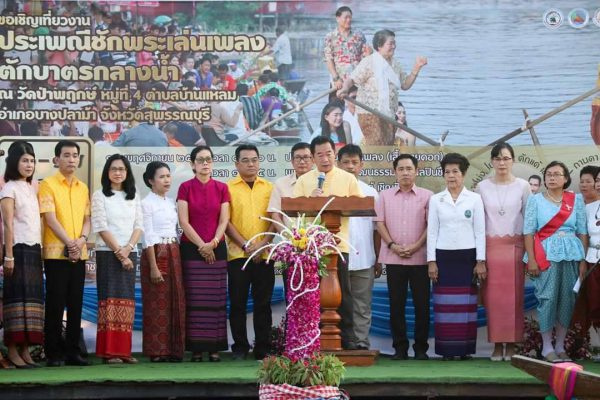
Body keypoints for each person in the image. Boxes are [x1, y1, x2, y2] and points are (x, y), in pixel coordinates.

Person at [293, 136, 363, 349]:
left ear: (335, 154)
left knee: (344, 293)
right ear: (313, 158)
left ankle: (348, 339)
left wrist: (338, 203)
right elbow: (295, 213)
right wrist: (311, 201)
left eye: (329, 154)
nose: (325, 159)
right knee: (312, 294)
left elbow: (360, 206)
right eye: (320, 155)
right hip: (312, 247)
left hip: (338, 246)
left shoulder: (348, 179)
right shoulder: (304, 181)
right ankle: (312, 339)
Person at [523, 161, 588, 363]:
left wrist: (583, 260)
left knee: (567, 299)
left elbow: (582, 231)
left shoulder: (576, 200)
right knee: (548, 298)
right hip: (545, 255)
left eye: (556, 174)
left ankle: (560, 346)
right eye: (548, 174)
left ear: (566, 178)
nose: (552, 178)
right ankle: (547, 347)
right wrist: (531, 259)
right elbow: (528, 231)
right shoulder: (535, 200)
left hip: (571, 254)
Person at [427, 153, 486, 361]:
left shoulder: (475, 199)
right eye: (447, 172)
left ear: (464, 173)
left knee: (466, 305)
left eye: (455, 172)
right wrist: (431, 262)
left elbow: (480, 231)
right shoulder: (436, 200)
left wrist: (480, 261)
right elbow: (432, 232)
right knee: (445, 305)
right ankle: (446, 350)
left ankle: (464, 350)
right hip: (443, 258)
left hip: (467, 258)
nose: (451, 176)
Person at [475, 143, 530, 361]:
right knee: (493, 300)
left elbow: (530, 221)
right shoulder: (482, 187)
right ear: (492, 161)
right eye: (497, 158)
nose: (502, 163)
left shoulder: (523, 186)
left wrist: (529, 253)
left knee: (514, 300)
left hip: (515, 249)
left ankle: (513, 345)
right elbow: (478, 224)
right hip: (490, 249)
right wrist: (480, 257)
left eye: (506, 158)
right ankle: (497, 345)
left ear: (513, 160)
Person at [375, 154, 432, 360]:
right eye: (401, 169)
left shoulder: (428, 196)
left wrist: (416, 246)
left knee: (422, 305)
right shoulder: (384, 196)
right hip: (394, 258)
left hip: (420, 259)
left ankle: (421, 349)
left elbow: (431, 225)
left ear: (416, 171)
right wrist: (392, 245)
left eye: (409, 169)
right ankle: (400, 348)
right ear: (395, 172)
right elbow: (379, 223)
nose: (405, 173)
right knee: (396, 305)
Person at [39, 140, 91, 367]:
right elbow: (50, 219)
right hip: (55, 254)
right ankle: (53, 352)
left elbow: (87, 219)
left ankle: (73, 352)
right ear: (56, 159)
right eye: (66, 155)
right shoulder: (47, 184)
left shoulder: (83, 187)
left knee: (75, 303)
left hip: (79, 253)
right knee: (55, 303)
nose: (71, 159)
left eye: (75, 155)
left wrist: (81, 241)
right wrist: (70, 243)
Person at [177, 146, 230, 362]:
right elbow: (183, 221)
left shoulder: (222, 188)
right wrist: (202, 246)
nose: (205, 163)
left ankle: (215, 347)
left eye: (208, 159)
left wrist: (213, 243)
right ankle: (196, 348)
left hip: (217, 247)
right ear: (193, 164)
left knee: (216, 299)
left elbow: (224, 220)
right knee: (195, 300)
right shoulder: (185, 188)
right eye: (200, 160)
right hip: (192, 249)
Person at [91, 154, 143, 364]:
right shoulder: (99, 195)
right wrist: (120, 252)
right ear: (107, 172)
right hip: (107, 253)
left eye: (122, 169)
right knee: (109, 302)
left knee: (126, 302)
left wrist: (128, 248)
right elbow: (101, 226)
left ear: (127, 172)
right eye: (113, 169)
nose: (118, 173)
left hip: (130, 253)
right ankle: (109, 352)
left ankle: (123, 351)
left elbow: (139, 225)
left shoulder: (134, 195)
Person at [226, 144, 274, 360]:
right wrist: (246, 246)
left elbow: (275, 219)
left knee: (263, 304)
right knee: (238, 303)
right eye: (245, 160)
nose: (250, 164)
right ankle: (240, 347)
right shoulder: (228, 188)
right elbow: (225, 222)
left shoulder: (269, 188)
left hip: (265, 254)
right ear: (237, 164)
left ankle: (263, 348)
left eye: (254, 159)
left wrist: (262, 244)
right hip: (238, 255)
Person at [339, 29, 427, 146]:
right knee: (376, 144)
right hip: (369, 113)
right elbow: (351, 79)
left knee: (387, 147)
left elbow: (405, 84)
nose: (394, 46)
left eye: (394, 43)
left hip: (389, 114)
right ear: (379, 46)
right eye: (390, 44)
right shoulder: (369, 62)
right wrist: (344, 89)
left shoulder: (395, 64)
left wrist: (417, 68)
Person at [1, 141, 44, 368]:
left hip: (34, 249)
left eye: (32, 161)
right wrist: (8, 256)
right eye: (24, 160)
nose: (29, 165)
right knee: (16, 300)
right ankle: (12, 349)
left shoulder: (31, 187)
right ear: (13, 162)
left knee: (32, 300)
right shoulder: (9, 188)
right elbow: (7, 225)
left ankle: (26, 349)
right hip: (17, 249)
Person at [141, 162, 185, 362]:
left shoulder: (169, 202)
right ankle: (157, 351)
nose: (167, 180)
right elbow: (148, 236)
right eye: (161, 177)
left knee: (175, 299)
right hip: (156, 252)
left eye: (168, 176)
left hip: (174, 249)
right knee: (156, 302)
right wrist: (153, 266)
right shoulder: (146, 203)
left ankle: (174, 349)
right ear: (151, 180)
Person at [337, 144, 380, 350]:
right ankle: (340, 343)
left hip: (364, 259)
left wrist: (378, 258)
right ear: (338, 165)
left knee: (362, 305)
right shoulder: (331, 191)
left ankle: (361, 343)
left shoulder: (371, 193)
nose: (350, 166)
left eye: (354, 162)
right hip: (336, 260)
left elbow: (377, 230)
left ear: (361, 165)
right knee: (337, 304)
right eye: (346, 162)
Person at [268, 142, 313, 229]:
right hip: (289, 235)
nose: (302, 162)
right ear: (292, 161)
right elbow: (275, 214)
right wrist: (286, 234)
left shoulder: (321, 182)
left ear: (313, 160)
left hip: (318, 235)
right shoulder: (281, 183)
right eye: (297, 158)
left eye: (306, 157)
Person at [324, 6, 369, 93]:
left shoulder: (359, 35)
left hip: (356, 80)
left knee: (355, 102)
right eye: (346, 17)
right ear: (338, 18)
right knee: (336, 102)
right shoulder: (330, 37)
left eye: (350, 17)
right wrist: (336, 78)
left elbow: (366, 57)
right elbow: (329, 59)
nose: (349, 20)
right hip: (338, 82)